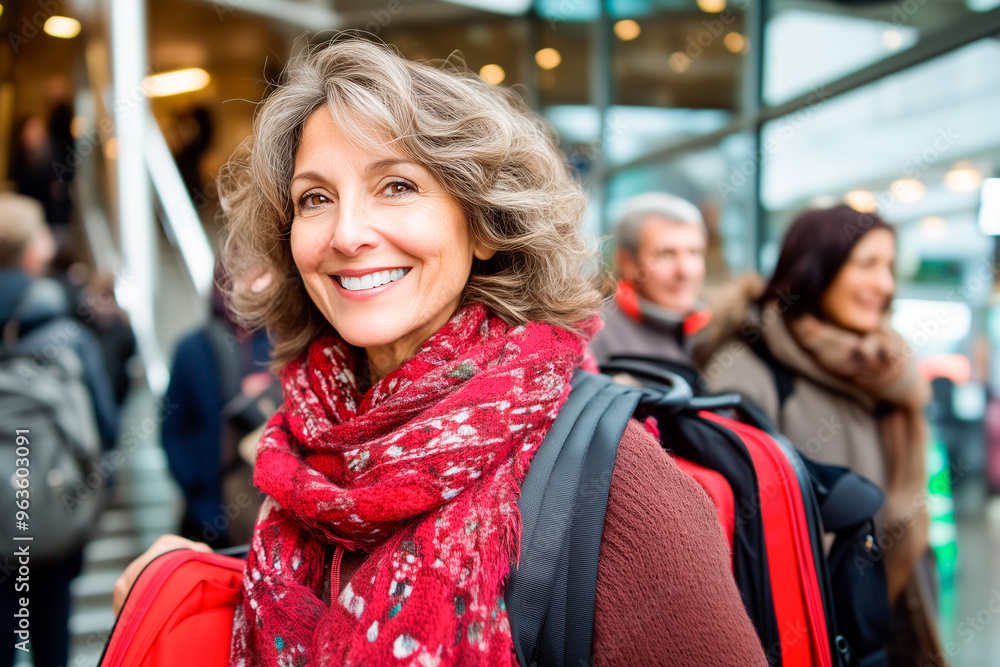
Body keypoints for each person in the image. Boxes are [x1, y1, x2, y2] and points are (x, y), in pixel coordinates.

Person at [114, 39, 767, 666]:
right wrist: (204, 576)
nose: (347, 233)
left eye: (396, 186)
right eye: (316, 198)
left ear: (484, 224)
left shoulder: (615, 477)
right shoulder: (310, 454)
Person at [696, 204, 940, 664]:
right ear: (816, 267)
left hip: (894, 609)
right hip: (802, 629)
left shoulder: (880, 367)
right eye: (866, 264)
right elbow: (735, 541)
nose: (885, 284)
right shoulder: (748, 369)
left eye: (889, 266)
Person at [0, 193, 118, 667]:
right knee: (51, 638)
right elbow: (104, 427)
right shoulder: (67, 332)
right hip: (54, 519)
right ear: (33, 252)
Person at [161, 262, 273, 549]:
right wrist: (200, 494)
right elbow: (172, 430)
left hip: (277, 507)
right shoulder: (192, 348)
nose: (257, 286)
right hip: (212, 512)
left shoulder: (282, 341)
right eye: (249, 276)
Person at [589, 191, 710, 367]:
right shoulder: (594, 341)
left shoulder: (722, 333)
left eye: (694, 253)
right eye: (666, 254)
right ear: (627, 262)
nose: (684, 271)